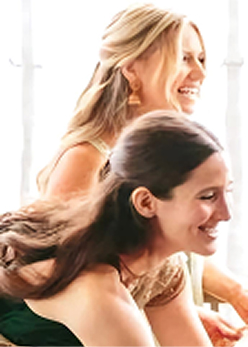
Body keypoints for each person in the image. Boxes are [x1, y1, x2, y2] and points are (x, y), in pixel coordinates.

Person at [33, 3, 248, 344]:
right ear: (131, 69)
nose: (200, 74)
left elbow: (161, 252)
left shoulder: (168, 163)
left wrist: (236, 292)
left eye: (201, 60)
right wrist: (165, 315)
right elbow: (68, 282)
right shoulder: (85, 159)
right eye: (183, 58)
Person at [0, 111, 229, 346]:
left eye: (227, 192)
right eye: (208, 196)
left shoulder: (164, 270)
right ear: (146, 203)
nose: (226, 213)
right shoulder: (96, 291)